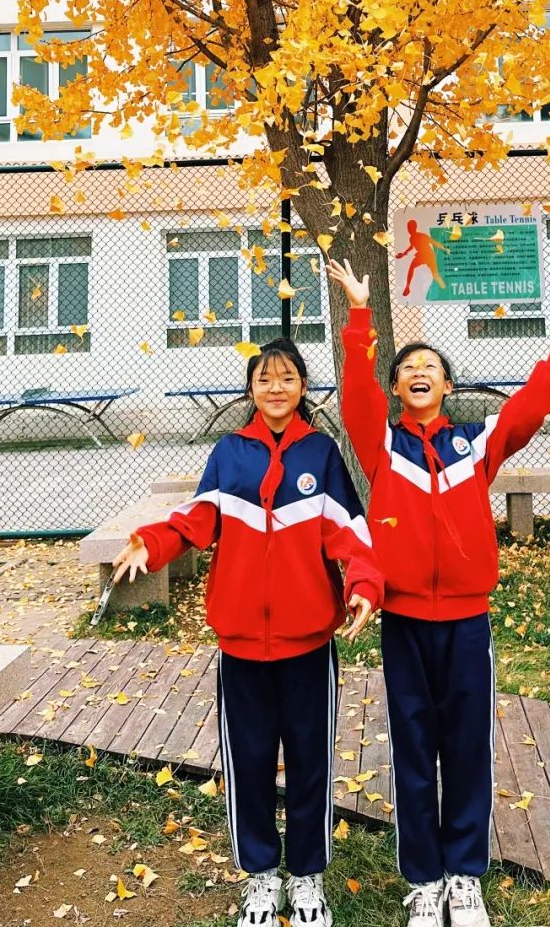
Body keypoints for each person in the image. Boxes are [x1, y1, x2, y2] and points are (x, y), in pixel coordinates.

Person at [328, 258, 550, 927]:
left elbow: (525, 413)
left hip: (466, 624)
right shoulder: (382, 446)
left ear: (448, 385)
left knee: (466, 749)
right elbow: (356, 396)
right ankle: (424, 882)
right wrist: (360, 316)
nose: (418, 371)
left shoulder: (474, 444)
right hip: (404, 622)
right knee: (413, 749)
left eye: (430, 365)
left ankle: (464, 878)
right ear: (397, 387)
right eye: (406, 367)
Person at [112, 339, 384, 927]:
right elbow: (195, 521)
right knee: (250, 763)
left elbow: (352, 535)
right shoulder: (229, 453)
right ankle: (261, 876)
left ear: (303, 387)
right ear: (251, 389)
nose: (276, 388)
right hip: (240, 646)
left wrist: (364, 584)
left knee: (311, 762)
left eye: (287, 378)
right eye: (265, 379)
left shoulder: (322, 454)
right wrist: (150, 543)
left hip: (308, 645)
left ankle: (307, 879)